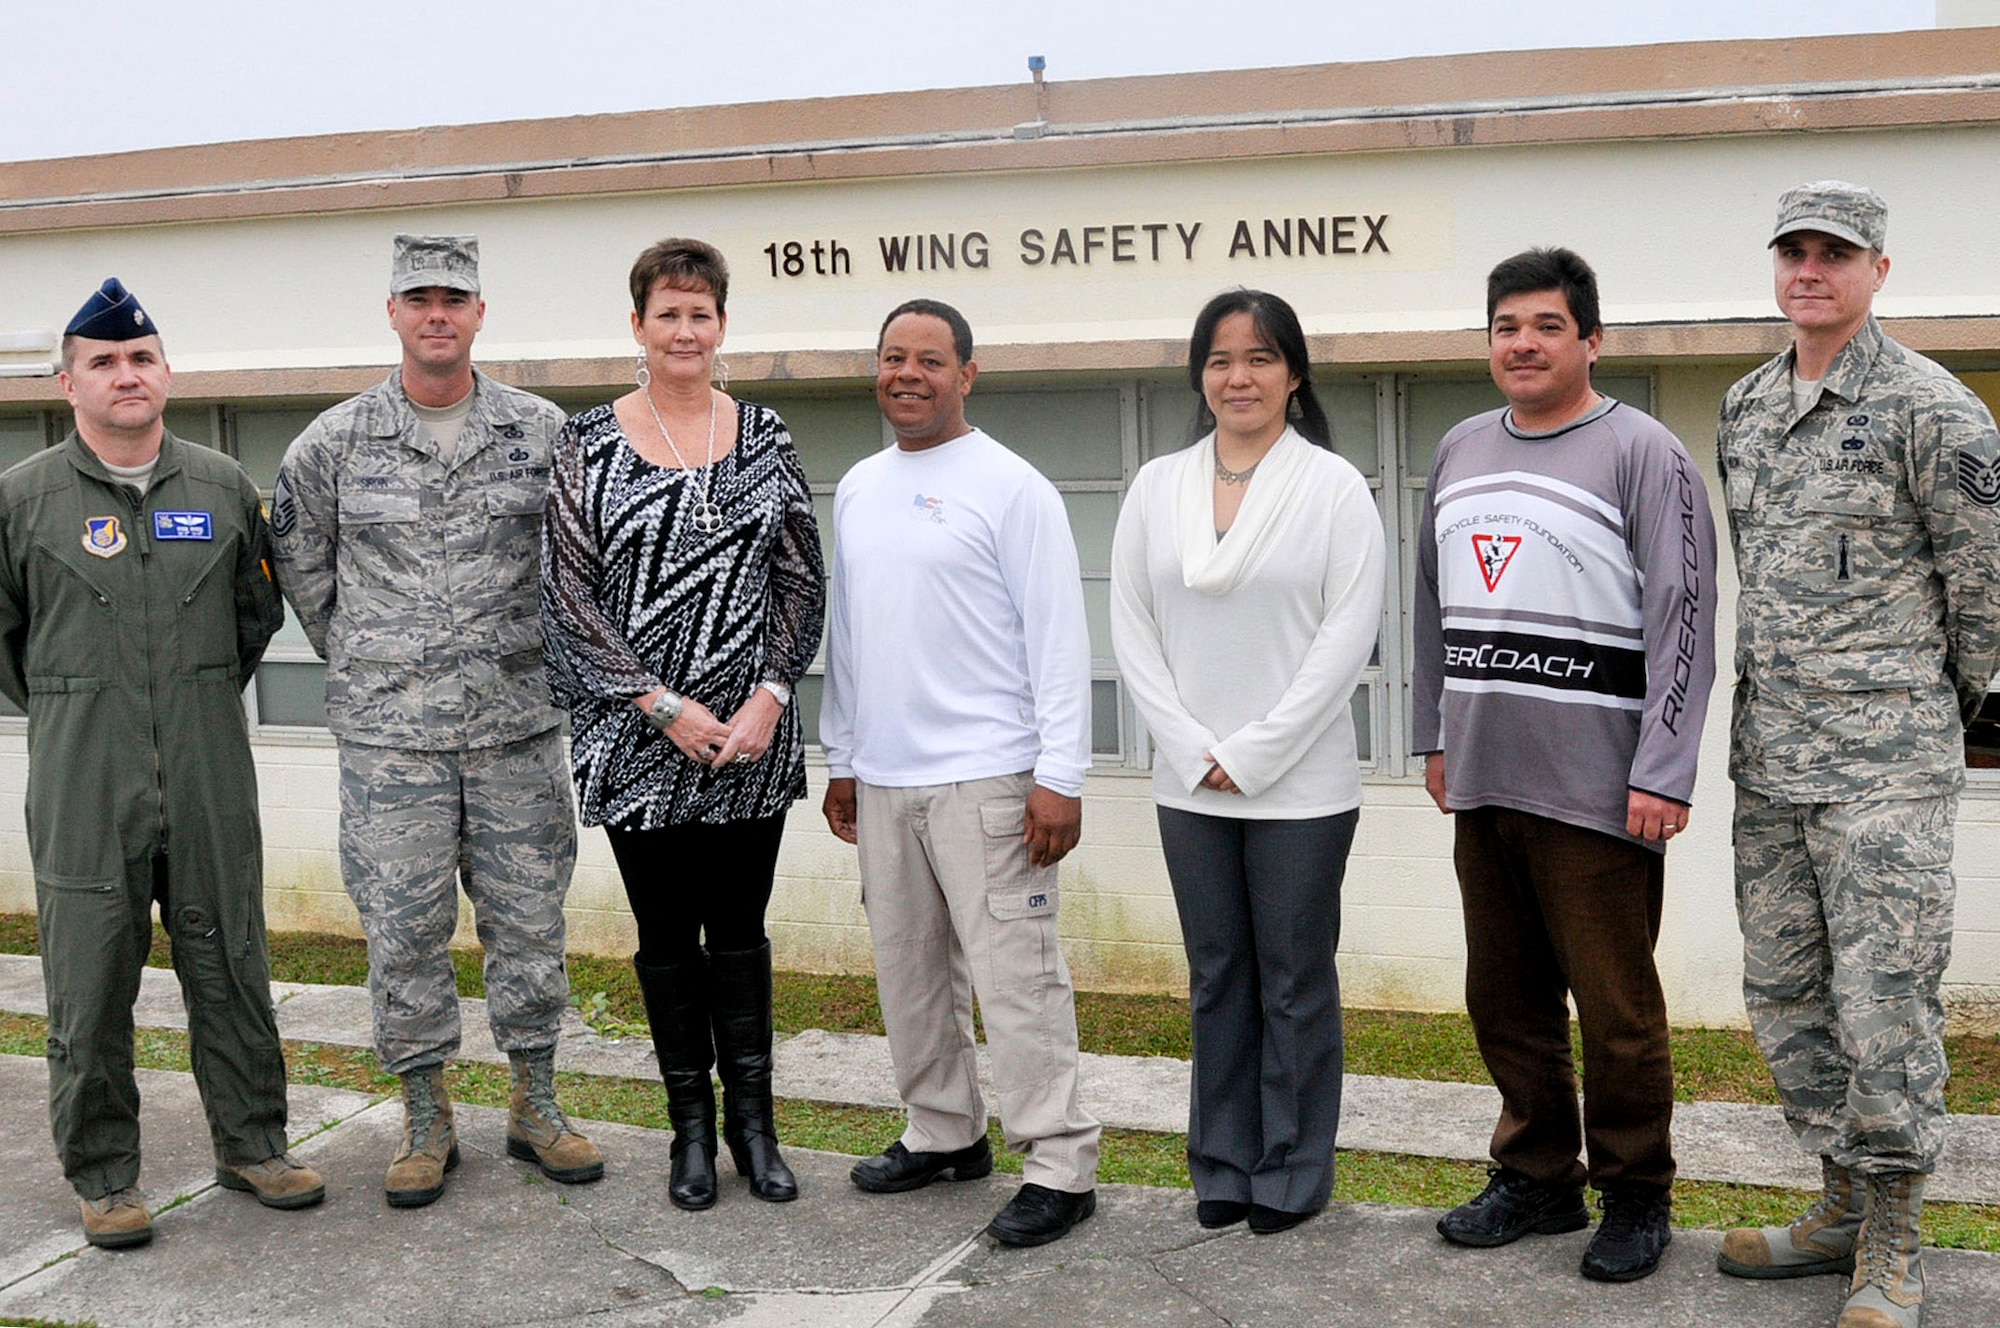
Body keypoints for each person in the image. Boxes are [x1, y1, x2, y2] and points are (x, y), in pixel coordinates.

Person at [1714, 182, 2000, 1328]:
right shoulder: (1740, 405)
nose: (1808, 270)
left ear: (1877, 269)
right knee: (1785, 997)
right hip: (1770, 764)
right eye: (1791, 250)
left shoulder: (1935, 411)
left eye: (1833, 252)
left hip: (1883, 771)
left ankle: (1891, 1240)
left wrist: (1922, 716)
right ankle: (1835, 1201)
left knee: (1883, 1005)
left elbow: (1982, 603)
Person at [272, 235, 601, 1208]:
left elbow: (577, 571)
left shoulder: (543, 433)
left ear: (479, 311)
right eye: (418, 297)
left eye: (453, 297)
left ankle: (535, 1102)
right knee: (404, 930)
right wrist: (382, 657)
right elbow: (306, 576)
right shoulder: (332, 444)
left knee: (530, 922)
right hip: (390, 745)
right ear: (393, 311)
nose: (436, 313)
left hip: (516, 732)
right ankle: (426, 1115)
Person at [1413, 248, 1717, 1283]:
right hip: (1485, 771)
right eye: (1505, 325)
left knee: (1615, 1007)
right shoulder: (1457, 449)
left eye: (1545, 325)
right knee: (1503, 995)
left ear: (1590, 339)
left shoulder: (1642, 452)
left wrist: (1662, 767)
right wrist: (1434, 731)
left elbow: (1683, 617)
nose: (1522, 343)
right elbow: (1430, 607)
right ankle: (1537, 1174)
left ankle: (1635, 1190)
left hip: (1599, 783)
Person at [0, 279, 322, 1249]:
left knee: (230, 959)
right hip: (82, 773)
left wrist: (184, 696)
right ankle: (104, 1175)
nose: (125, 374)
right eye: (103, 361)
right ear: (68, 383)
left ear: (166, 373)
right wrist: (82, 703)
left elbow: (252, 620)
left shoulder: (221, 486)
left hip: (206, 760)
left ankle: (253, 1142)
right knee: (89, 977)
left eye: (141, 358)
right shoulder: (21, 501)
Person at [541, 237, 823, 1211]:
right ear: (637, 326)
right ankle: (691, 1136)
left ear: (720, 326)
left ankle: (756, 1127)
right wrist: (657, 703)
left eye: (700, 312)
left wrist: (769, 694)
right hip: (637, 744)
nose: (685, 329)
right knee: (666, 938)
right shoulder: (584, 442)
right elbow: (565, 596)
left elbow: (800, 578)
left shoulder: (767, 433)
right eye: (668, 312)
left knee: (738, 931)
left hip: (749, 741)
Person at [820, 298, 1101, 1248]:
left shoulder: (1012, 486)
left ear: (967, 374)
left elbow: (1059, 639)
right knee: (908, 976)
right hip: (889, 780)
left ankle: (1060, 1164)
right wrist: (845, 757)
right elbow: (850, 638)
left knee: (1016, 982)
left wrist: (1059, 776)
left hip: (989, 779)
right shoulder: (858, 486)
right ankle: (943, 1133)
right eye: (893, 357)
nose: (908, 374)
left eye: (930, 360)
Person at [1109, 288, 1383, 1235]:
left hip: (1301, 787)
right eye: (1223, 359)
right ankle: (1223, 1163)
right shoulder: (1156, 487)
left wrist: (1255, 751)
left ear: (1294, 374)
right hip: (1188, 783)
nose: (1240, 377)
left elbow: (1347, 637)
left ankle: (1292, 1172)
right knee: (1219, 973)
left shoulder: (1334, 489)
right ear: (1200, 374)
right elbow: (1132, 628)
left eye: (1262, 358)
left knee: (1295, 979)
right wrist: (1193, 749)